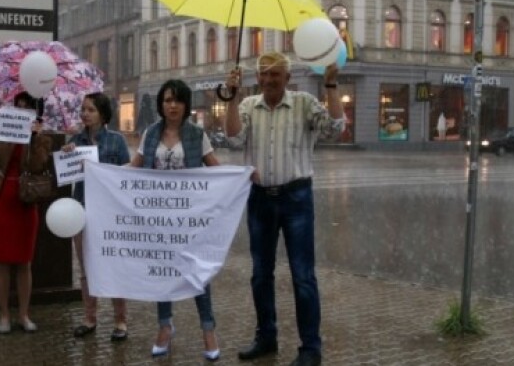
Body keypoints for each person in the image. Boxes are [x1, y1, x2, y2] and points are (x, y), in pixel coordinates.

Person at [224, 52, 345, 366]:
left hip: (296, 199)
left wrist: (331, 86)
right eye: (263, 74)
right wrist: (232, 98)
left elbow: (334, 129)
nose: (267, 80)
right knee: (260, 274)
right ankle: (266, 337)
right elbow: (234, 138)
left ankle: (310, 349)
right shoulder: (249, 106)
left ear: (287, 78)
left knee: (303, 276)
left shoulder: (304, 103)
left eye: (275, 75)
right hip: (260, 198)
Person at [130, 79, 222, 361]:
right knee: (164, 274)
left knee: (198, 274)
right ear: (161, 104)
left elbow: (214, 169)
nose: (173, 105)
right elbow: (133, 168)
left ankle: (208, 330)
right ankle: (165, 327)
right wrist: (97, 171)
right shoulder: (151, 133)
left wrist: (242, 176)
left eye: (178, 100)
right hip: (159, 219)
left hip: (191, 219)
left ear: (186, 105)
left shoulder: (197, 134)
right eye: (168, 100)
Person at [0, 92, 53, 334]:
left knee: (24, 262)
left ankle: (23, 315)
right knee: (2, 262)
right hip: (1, 198)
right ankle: (4, 315)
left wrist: (36, 139)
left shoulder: (40, 136)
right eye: (18, 106)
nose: (21, 109)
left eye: (26, 106)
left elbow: (39, 165)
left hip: (25, 201)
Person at [60, 93, 131, 342]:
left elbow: (127, 175)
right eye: (83, 109)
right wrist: (67, 154)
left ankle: (120, 321)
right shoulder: (75, 141)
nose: (84, 114)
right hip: (82, 210)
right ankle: (90, 318)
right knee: (86, 267)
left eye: (90, 109)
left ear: (102, 113)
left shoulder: (117, 141)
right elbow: (65, 173)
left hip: (110, 213)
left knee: (113, 265)